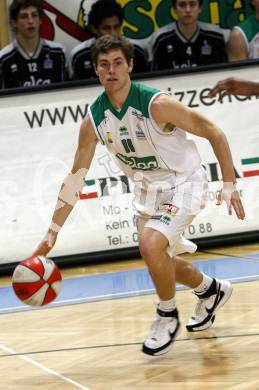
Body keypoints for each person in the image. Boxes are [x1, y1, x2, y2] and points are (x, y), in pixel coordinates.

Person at [33, 35, 245, 356]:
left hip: (185, 183)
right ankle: (211, 290)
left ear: (130, 65)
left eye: (118, 62)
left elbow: (214, 131)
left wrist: (229, 183)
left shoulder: (155, 104)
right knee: (160, 259)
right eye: (104, 65)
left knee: (150, 243)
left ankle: (166, 314)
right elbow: (75, 178)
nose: (112, 70)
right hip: (148, 192)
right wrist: (51, 234)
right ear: (96, 70)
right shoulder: (94, 120)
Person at [68, 0, 148, 81]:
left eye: (116, 27)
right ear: (94, 29)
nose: (112, 33)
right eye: (106, 28)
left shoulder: (136, 50)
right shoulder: (79, 55)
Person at [0, 0, 67, 89]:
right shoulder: (4, 59)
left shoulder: (58, 52)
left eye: (34, 15)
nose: (31, 21)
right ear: (14, 23)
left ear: (40, 20)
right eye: (24, 16)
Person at [150, 0, 228, 71]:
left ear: (200, 8)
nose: (188, 10)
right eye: (182, 5)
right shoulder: (161, 39)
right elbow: (154, 78)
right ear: (174, 9)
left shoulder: (216, 36)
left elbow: (224, 72)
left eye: (192, 4)